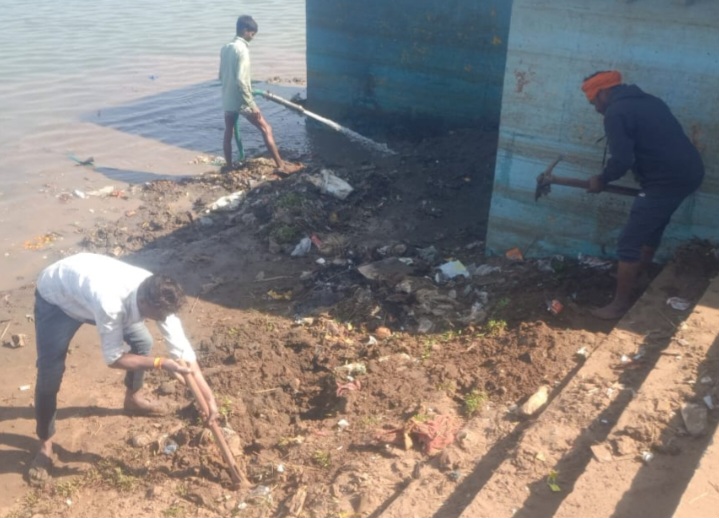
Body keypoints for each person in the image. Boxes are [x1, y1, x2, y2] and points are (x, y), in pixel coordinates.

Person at [28, 253, 219, 485]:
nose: (162, 320)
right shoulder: (111, 304)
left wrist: (209, 399)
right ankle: (45, 446)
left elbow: (185, 355)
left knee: (143, 343)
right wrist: (160, 363)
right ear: (144, 304)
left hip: (88, 291)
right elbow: (113, 359)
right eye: (158, 317)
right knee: (49, 375)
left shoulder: (158, 294)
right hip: (58, 300)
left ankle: (133, 399)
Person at [581, 70, 704, 319]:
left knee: (629, 241)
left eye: (594, 102)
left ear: (603, 93)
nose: (595, 109)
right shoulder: (650, 101)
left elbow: (622, 159)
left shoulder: (616, 112)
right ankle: (639, 276)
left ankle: (619, 305)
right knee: (651, 228)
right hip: (689, 173)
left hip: (666, 180)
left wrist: (601, 179)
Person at [219, 15, 300, 175]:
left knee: (228, 132)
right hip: (242, 100)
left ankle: (228, 167)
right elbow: (242, 81)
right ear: (245, 30)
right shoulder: (242, 50)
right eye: (252, 34)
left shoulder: (225, 48)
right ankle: (281, 166)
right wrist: (252, 104)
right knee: (266, 128)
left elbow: (221, 76)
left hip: (227, 98)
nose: (253, 37)